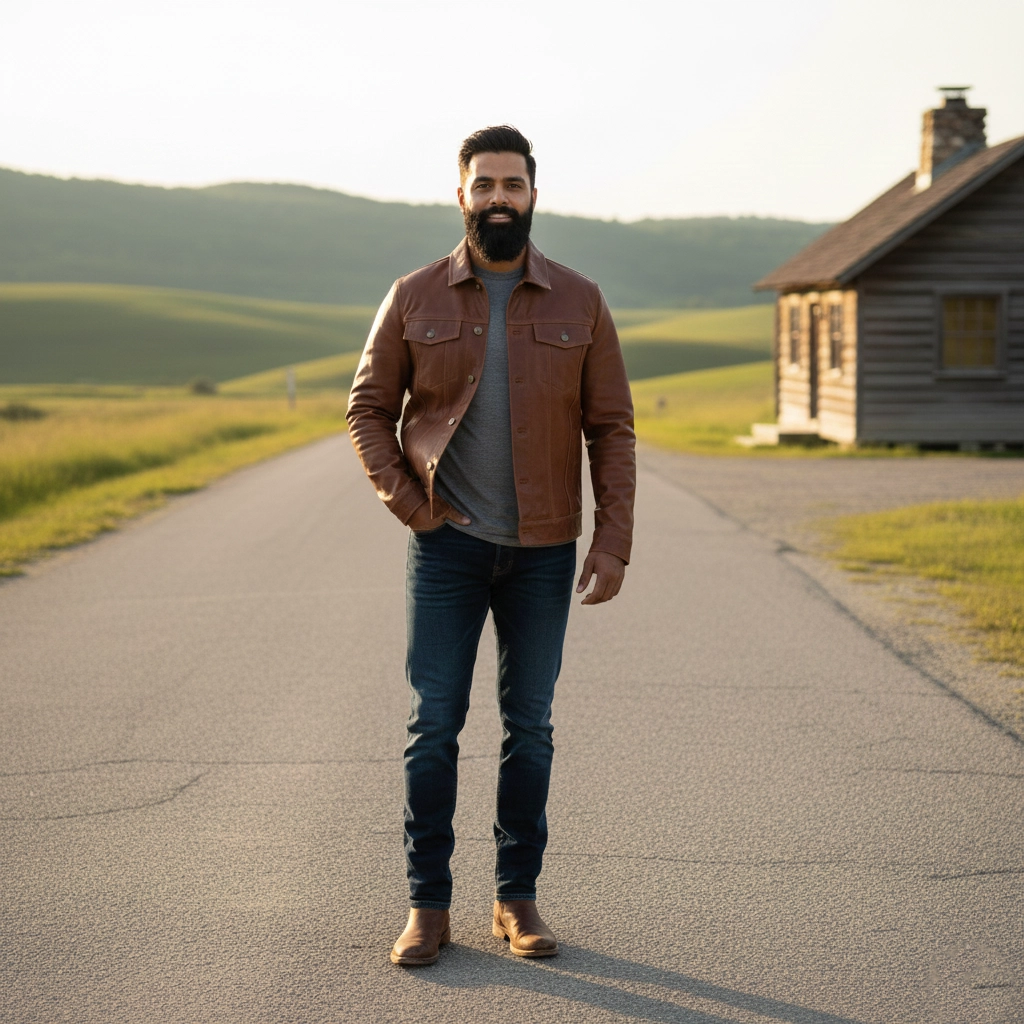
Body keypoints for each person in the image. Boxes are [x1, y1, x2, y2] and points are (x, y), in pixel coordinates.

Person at [346, 125, 635, 966]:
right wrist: (412, 506)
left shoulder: (581, 299)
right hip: (447, 549)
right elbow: (367, 409)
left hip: (543, 552)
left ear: (533, 194)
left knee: (530, 727)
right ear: (461, 194)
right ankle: (427, 906)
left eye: (513, 184)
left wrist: (613, 540)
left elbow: (611, 427)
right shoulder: (414, 295)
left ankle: (516, 899)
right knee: (433, 725)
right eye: (485, 184)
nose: (499, 198)